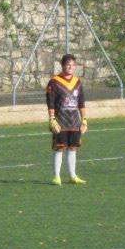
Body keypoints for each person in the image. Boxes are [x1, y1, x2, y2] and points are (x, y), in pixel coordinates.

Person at [46, 53, 88, 185]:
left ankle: (73, 176)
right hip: (61, 121)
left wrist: (84, 120)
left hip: (74, 121)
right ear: (62, 65)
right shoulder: (54, 82)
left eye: (73, 65)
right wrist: (52, 119)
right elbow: (50, 103)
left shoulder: (77, 82)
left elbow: (81, 103)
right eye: (68, 65)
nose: (71, 67)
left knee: (72, 148)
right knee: (59, 148)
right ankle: (56, 177)